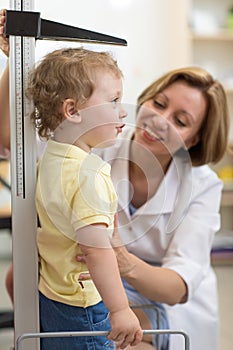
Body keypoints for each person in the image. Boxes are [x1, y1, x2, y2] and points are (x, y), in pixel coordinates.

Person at [0, 8, 230, 350]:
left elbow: (177, 287)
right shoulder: (91, 142)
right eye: (159, 103)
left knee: (122, 336)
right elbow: (11, 140)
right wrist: (13, 60)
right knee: (18, 276)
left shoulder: (202, 185)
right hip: (85, 280)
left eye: (181, 120)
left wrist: (117, 261)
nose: (159, 120)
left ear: (195, 139)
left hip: (153, 296)